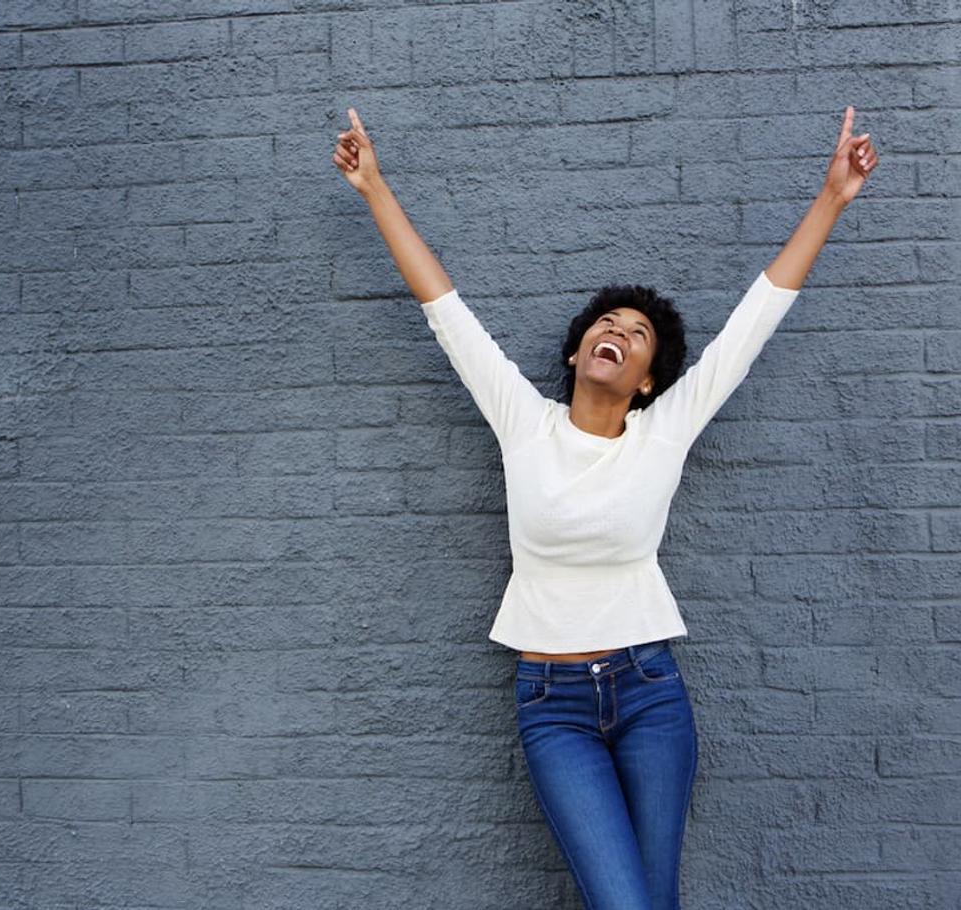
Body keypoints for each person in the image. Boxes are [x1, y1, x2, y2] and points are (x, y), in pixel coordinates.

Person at [332, 105, 878, 908]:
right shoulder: (523, 422)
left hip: (651, 690)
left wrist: (832, 198)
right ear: (578, 349)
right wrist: (374, 187)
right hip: (553, 707)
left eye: (638, 334)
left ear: (647, 378)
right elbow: (445, 311)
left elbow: (756, 320)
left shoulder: (663, 433)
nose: (616, 332)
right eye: (605, 323)